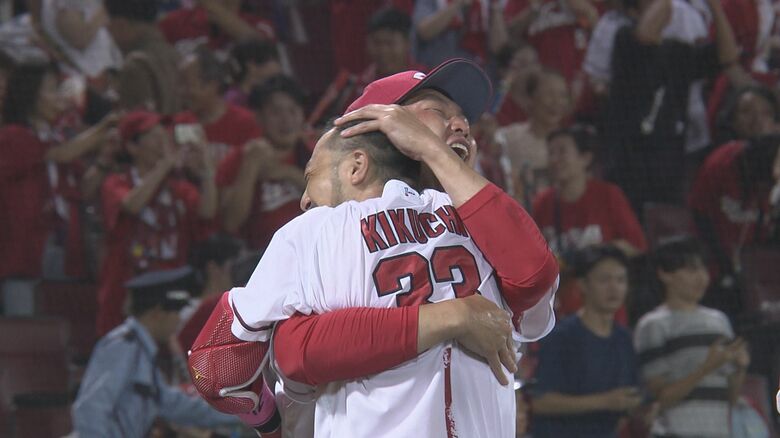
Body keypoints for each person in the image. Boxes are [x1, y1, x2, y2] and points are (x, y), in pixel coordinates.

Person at [188, 59, 559, 437]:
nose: (462, 124)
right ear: (385, 123)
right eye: (437, 111)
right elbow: (296, 353)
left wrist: (267, 423)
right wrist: (454, 316)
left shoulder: (485, 223)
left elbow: (220, 365)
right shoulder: (323, 231)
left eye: (310, 177)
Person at [0, 61, 116, 315]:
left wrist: (106, 160)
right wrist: (105, 127)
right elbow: (58, 155)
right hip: (24, 257)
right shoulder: (12, 137)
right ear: (30, 93)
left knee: (64, 330)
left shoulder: (58, 138)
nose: (60, 98)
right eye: (52, 89)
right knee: (25, 333)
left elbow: (84, 188)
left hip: (65, 250)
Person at [72, 266, 237, 437]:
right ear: (157, 313)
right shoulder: (122, 346)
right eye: (175, 312)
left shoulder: (141, 350)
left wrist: (239, 414)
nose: (179, 319)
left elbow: (173, 404)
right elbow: (91, 409)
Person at [96, 110, 217, 335]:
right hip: (126, 292)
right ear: (132, 147)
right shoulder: (116, 182)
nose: (164, 141)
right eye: (154, 136)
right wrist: (165, 165)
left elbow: (206, 211)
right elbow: (133, 204)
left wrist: (206, 170)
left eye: (165, 135)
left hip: (170, 290)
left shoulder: (177, 186)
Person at [634, 237, 750, 438]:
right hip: (675, 432)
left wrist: (741, 369)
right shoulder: (653, 325)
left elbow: (730, 398)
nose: (702, 277)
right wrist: (706, 368)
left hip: (719, 431)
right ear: (664, 274)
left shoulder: (719, 321)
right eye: (691, 270)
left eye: (703, 269)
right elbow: (661, 399)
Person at [530, 245, 643, 438]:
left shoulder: (624, 338)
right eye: (604, 280)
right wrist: (605, 402)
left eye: (620, 280)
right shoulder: (562, 336)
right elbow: (540, 402)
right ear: (582, 285)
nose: (614, 288)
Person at [218, 75, 310, 251]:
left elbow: (336, 206)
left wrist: (287, 173)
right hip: (260, 257)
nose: (286, 120)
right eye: (276, 112)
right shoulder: (239, 158)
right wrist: (250, 167)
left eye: (293, 111)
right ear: (259, 117)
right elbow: (230, 222)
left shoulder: (317, 151)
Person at [496, 68, 571, 209]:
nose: (556, 102)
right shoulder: (507, 139)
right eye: (549, 94)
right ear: (530, 98)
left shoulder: (573, 144)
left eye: (562, 95)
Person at [176, 46, 263, 163]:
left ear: (212, 85)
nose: (180, 92)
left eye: (186, 84)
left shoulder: (247, 123)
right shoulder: (181, 124)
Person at [105, 0, 182, 114]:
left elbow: (136, 126)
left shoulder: (135, 67)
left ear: (121, 25)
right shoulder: (178, 57)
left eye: (109, 26)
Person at [412, 0, 509, 67]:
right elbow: (424, 32)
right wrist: (457, 4)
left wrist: (495, 7)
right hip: (439, 70)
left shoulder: (492, 4)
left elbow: (500, 48)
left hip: (479, 71)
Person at [224, 38, 283, 107]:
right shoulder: (232, 101)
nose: (279, 65)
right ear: (252, 66)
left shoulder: (273, 93)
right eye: (274, 59)